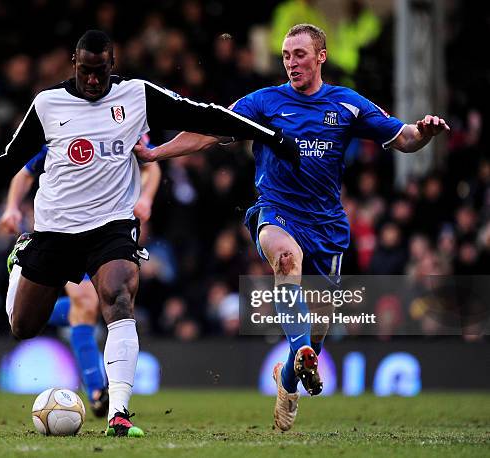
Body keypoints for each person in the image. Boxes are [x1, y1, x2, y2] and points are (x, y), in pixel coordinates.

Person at [0, 30, 298, 437]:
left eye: (100, 72)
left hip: (111, 228)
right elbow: (5, 164)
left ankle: (119, 412)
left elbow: (203, 114)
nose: (93, 80)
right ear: (74, 63)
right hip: (54, 231)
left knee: (119, 298)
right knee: (23, 326)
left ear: (112, 66)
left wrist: (271, 136)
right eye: (86, 71)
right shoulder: (47, 104)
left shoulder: (137, 95)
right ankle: (21, 260)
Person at [134, 23, 450, 432]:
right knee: (286, 259)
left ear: (321, 56)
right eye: (285, 55)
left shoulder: (347, 105)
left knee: (319, 327)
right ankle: (300, 350)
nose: (291, 62)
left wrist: (424, 133)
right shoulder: (264, 102)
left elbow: (403, 138)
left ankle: (289, 375)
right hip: (277, 211)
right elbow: (210, 131)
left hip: (327, 225)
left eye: (299, 54)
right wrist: (157, 152)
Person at [0, 141, 160, 417]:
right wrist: (11, 207)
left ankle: (99, 394)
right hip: (62, 233)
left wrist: (146, 198)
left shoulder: (116, 126)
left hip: (107, 233)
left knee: (90, 307)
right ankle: (97, 389)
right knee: (79, 305)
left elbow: (151, 163)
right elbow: (25, 173)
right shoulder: (59, 134)